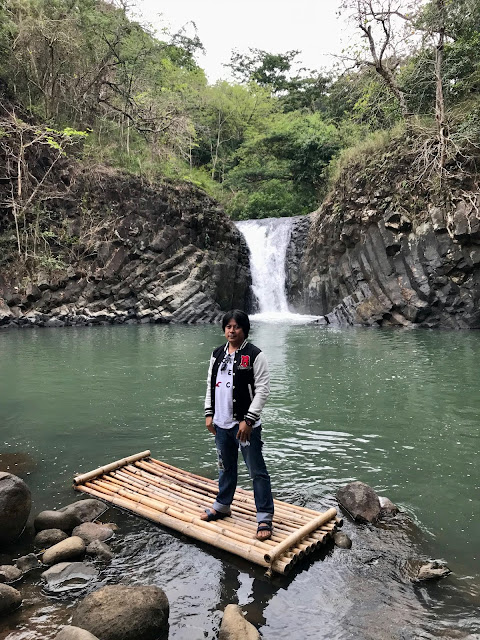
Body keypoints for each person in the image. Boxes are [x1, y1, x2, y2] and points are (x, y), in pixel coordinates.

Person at [202, 309, 274, 540]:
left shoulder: (254, 355)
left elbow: (263, 390)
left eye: (236, 327)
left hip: (245, 425)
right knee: (225, 467)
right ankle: (223, 504)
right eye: (228, 327)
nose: (231, 331)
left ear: (245, 330)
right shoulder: (217, 354)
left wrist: (249, 420)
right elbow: (209, 385)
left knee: (257, 471)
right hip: (221, 423)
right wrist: (209, 413)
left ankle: (264, 516)